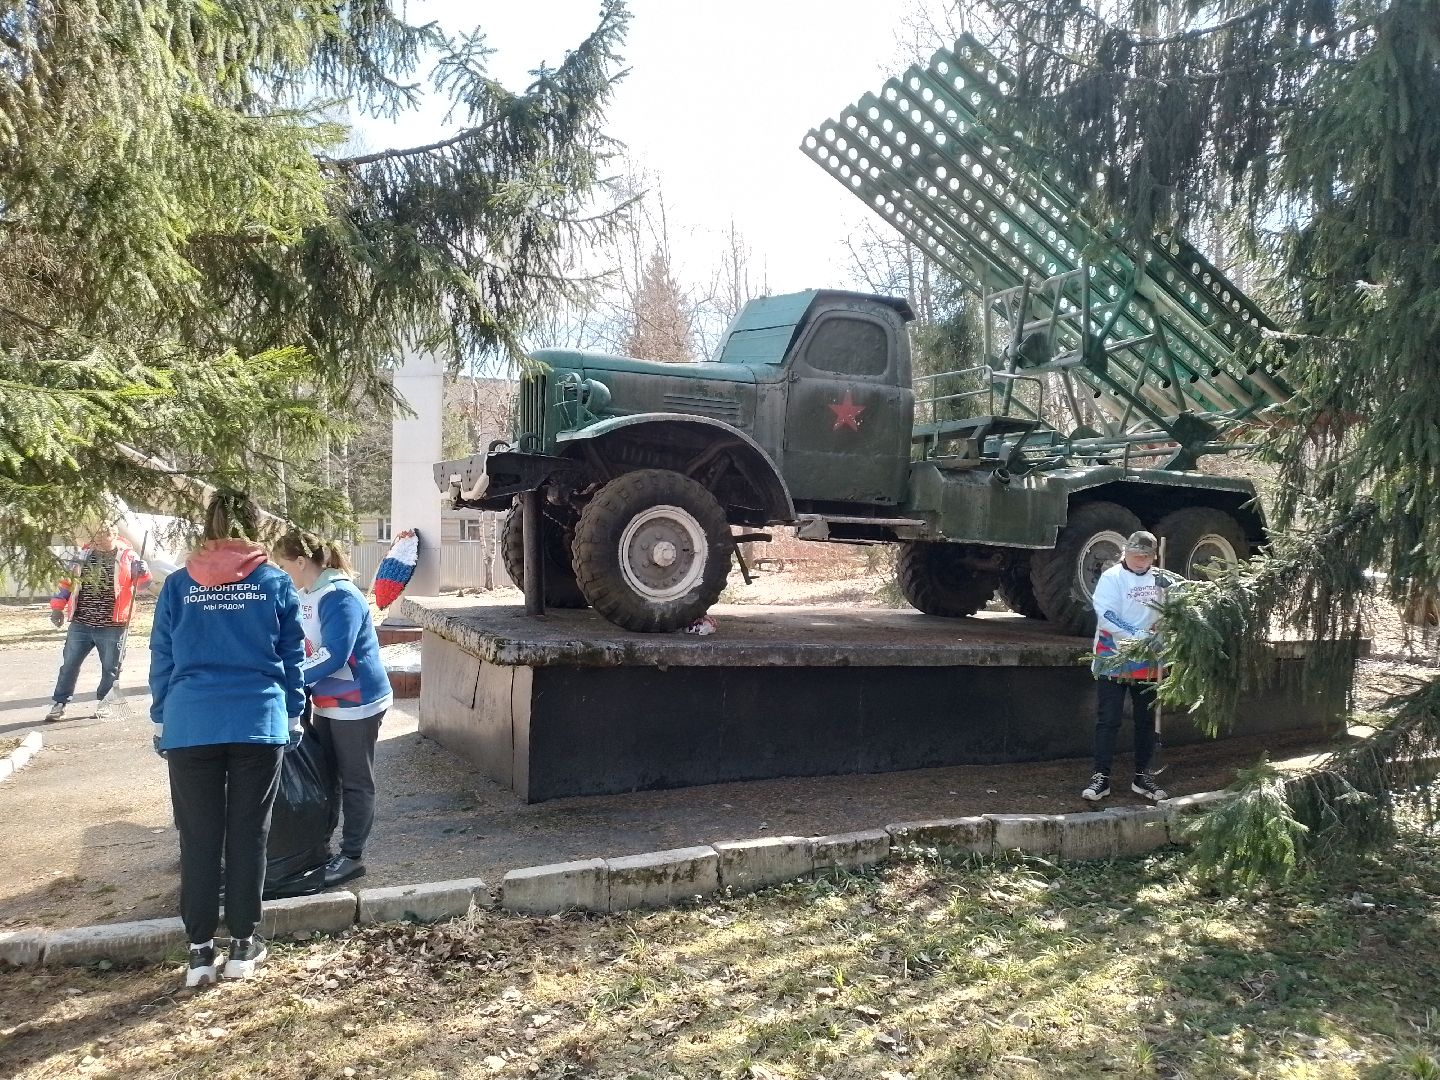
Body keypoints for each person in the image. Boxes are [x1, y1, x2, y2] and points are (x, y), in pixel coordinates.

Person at [150, 490, 305, 987]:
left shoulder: (177, 586)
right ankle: (243, 944)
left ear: (207, 525)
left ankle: (198, 951)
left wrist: (163, 716)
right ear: (256, 527)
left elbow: (162, 657)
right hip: (256, 721)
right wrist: (294, 714)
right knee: (248, 833)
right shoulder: (274, 582)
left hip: (191, 723)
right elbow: (291, 658)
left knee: (197, 835)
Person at [273, 531, 392, 888]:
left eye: (283, 566)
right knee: (327, 776)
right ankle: (321, 848)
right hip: (325, 701)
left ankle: (352, 856)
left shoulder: (340, 595)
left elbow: (335, 654)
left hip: (356, 702)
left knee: (355, 780)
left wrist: (290, 678)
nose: (282, 574)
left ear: (300, 562)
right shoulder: (306, 593)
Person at [1081, 529, 1173, 804]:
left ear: (1154, 556)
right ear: (1126, 552)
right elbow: (1107, 615)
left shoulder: (1162, 579)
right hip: (1113, 657)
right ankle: (1101, 777)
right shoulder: (1112, 577)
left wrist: (1164, 630)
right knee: (1108, 720)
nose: (1140, 560)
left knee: (1146, 722)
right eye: (1135, 555)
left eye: (1145, 556)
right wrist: (1138, 635)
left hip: (1149, 660)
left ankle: (1143, 776)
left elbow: (1172, 614)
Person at [44, 524, 152, 722]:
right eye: (96, 535)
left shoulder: (129, 557)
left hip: (113, 624)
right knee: (69, 665)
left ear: (115, 535)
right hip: (81, 623)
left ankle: (105, 703)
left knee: (111, 667)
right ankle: (60, 702)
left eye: (104, 535)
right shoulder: (82, 555)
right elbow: (66, 583)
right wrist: (57, 607)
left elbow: (143, 586)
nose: (99, 539)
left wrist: (143, 572)